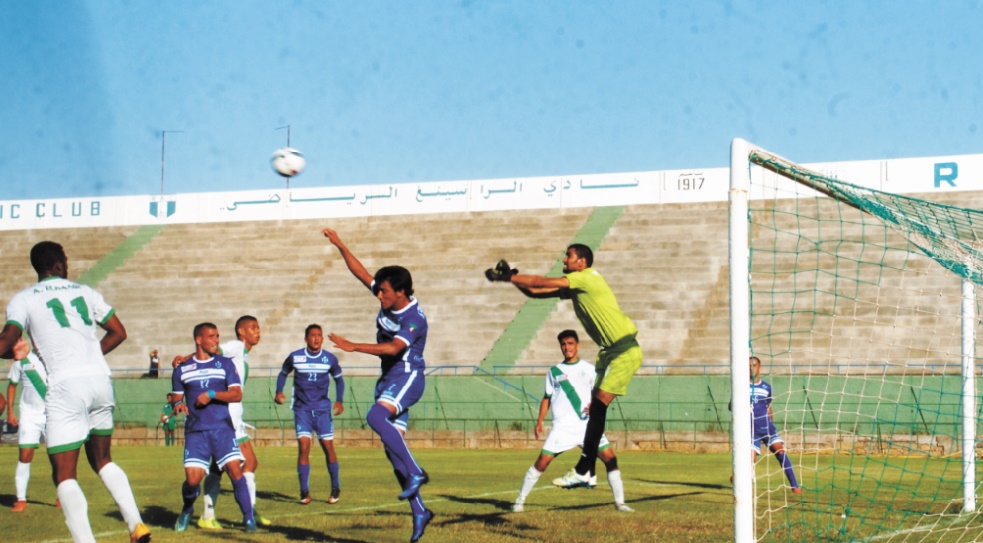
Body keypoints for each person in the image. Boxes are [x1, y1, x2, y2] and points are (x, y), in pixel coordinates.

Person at [0, 241, 150, 543]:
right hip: (100, 381)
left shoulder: (23, 299)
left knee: (64, 474)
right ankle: (136, 525)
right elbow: (119, 332)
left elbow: (6, 342)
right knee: (103, 459)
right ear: (58, 265)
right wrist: (90, 357)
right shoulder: (85, 291)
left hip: (65, 386)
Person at [486, 244, 643, 489]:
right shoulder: (579, 285)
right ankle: (587, 471)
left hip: (623, 350)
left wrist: (508, 276)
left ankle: (584, 470)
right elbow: (535, 293)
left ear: (581, 262)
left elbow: (540, 280)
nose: (564, 261)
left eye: (567, 257)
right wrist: (512, 279)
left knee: (598, 407)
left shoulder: (586, 278)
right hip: (609, 352)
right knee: (596, 410)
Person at [323, 227, 434, 543]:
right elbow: (360, 273)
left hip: (408, 376)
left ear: (400, 292)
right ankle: (420, 511)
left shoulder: (414, 317)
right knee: (392, 452)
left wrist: (353, 346)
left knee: (375, 418)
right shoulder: (388, 297)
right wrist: (341, 245)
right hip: (389, 378)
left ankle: (417, 472)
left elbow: (394, 349)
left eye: (384, 291)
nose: (379, 294)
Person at [513, 330, 633, 513]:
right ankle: (519, 502)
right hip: (563, 427)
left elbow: (602, 392)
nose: (567, 347)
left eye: (570, 343)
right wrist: (539, 422)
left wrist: (594, 405)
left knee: (611, 459)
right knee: (541, 463)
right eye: (563, 344)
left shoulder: (589, 369)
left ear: (577, 345)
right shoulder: (554, 372)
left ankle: (620, 504)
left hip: (587, 426)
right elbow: (546, 397)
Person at [176, 315, 268, 529]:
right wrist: (187, 359)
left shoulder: (243, 354)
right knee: (246, 463)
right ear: (241, 332)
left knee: (222, 468)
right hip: (228, 416)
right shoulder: (236, 346)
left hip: (232, 414)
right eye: (252, 328)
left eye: (258, 327)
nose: (258, 331)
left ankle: (213, 515)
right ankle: (243, 513)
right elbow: (211, 352)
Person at [274, 323, 345, 505]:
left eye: (319, 335)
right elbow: (283, 373)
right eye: (312, 335)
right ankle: (304, 491)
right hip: (302, 409)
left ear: (322, 338)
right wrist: (279, 391)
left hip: (322, 410)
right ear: (306, 338)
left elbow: (339, 380)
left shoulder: (329, 359)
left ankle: (335, 487)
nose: (316, 338)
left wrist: (339, 400)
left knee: (328, 448)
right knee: (304, 447)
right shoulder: (296, 357)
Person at [733, 356, 802, 494]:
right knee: (749, 459)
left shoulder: (767, 387)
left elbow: (768, 407)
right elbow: (731, 406)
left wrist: (771, 423)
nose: (751, 368)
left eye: (754, 365)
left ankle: (795, 486)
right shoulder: (740, 387)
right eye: (748, 366)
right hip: (751, 431)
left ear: (760, 367)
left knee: (780, 452)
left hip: (768, 428)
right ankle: (738, 478)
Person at [6, 350, 48, 512]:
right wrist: (10, 411)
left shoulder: (53, 357)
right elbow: (12, 386)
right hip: (29, 416)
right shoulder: (20, 362)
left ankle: (62, 496)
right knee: (25, 456)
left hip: (52, 414)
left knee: (60, 458)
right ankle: (21, 499)